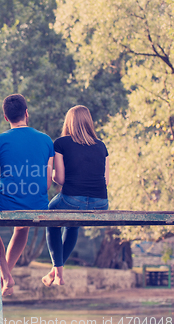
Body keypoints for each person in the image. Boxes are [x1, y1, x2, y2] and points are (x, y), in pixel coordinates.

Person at [0, 94, 54, 295]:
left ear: (5, 118)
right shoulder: (46, 140)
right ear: (27, 113)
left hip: (7, 200)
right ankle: (5, 276)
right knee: (22, 228)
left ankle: (5, 275)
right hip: (39, 202)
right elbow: (48, 182)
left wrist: (4, 192)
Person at [42, 105, 109, 287]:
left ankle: (59, 274)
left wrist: (54, 175)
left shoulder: (61, 143)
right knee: (72, 225)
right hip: (101, 203)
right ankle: (55, 272)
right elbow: (106, 181)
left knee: (51, 217)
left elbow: (61, 179)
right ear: (89, 122)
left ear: (69, 122)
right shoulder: (102, 146)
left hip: (73, 199)